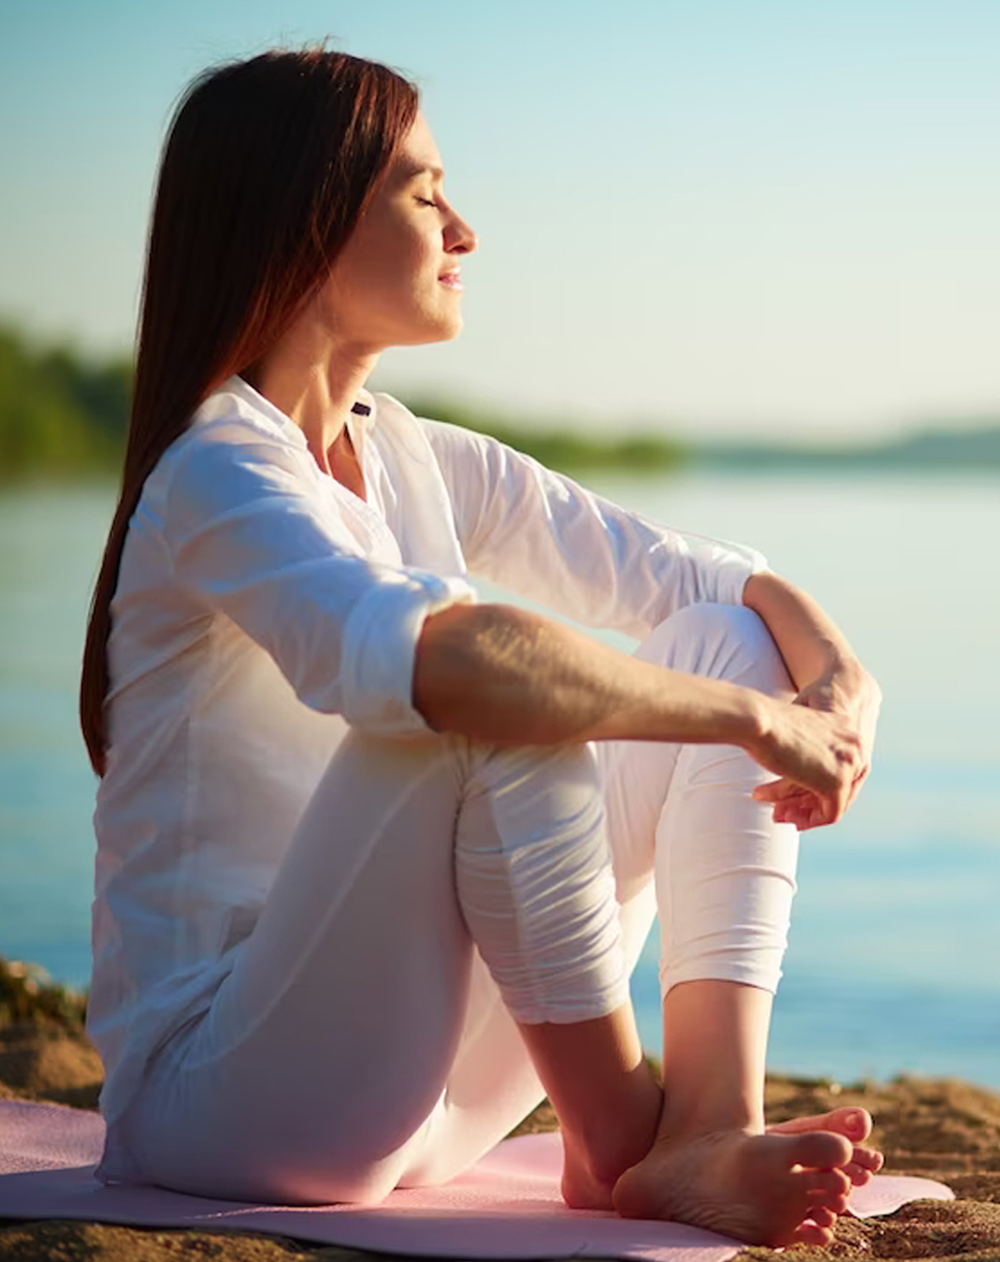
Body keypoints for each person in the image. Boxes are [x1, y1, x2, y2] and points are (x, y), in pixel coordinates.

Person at [80, 48, 884, 1249]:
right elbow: (451, 662)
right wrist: (754, 723)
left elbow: (714, 582)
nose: (463, 227)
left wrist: (835, 680)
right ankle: (619, 1135)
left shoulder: (409, 451)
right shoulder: (217, 469)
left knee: (719, 641)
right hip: (226, 1100)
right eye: (422, 192)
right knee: (488, 695)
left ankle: (704, 1125)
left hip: (424, 1091)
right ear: (303, 223)